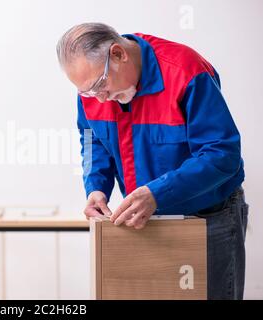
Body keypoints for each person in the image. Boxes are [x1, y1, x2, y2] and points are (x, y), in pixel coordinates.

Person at [56, 23, 249, 299]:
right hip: (145, 220)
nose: (99, 97)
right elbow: (91, 139)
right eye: (87, 92)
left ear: (119, 54)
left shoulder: (186, 72)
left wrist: (158, 192)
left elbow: (222, 154)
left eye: (100, 85)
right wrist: (96, 187)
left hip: (210, 217)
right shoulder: (93, 89)